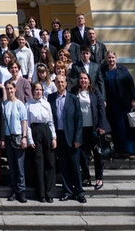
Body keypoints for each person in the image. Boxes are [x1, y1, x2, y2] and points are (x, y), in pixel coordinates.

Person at [49, 73, 86, 203]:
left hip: (71, 136)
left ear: (66, 83)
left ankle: (80, 192)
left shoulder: (73, 99)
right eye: (58, 82)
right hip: (58, 136)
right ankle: (68, 191)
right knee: (64, 166)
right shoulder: (51, 98)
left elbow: (79, 120)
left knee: (75, 166)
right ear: (55, 84)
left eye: (62, 82)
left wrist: (77, 139)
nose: (60, 84)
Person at [75, 71, 110, 190]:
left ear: (89, 80)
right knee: (82, 155)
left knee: (97, 154)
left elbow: (101, 109)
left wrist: (101, 126)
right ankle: (86, 176)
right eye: (81, 78)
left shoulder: (95, 91)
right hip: (81, 129)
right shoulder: (75, 92)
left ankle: (99, 178)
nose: (83, 80)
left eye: (85, 78)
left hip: (94, 128)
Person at [104, 50, 135, 159]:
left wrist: (134, 100)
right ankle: (119, 150)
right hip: (111, 105)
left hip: (124, 104)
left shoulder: (122, 70)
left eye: (112, 58)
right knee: (115, 128)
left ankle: (131, 151)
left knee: (127, 128)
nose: (111, 60)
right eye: (109, 58)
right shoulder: (104, 71)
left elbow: (131, 85)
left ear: (116, 58)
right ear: (106, 59)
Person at [26, 81, 56, 203]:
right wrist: (30, 139)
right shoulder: (28, 104)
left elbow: (51, 121)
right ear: (33, 91)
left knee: (49, 162)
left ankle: (49, 192)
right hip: (35, 131)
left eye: (40, 90)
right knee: (39, 163)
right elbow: (27, 124)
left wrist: (54, 137)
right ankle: (41, 193)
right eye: (36, 90)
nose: (38, 92)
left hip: (46, 131)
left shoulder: (46, 104)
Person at [2, 79, 29, 203]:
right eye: (7, 89)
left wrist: (24, 137)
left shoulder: (20, 104)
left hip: (18, 136)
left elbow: (24, 121)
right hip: (8, 137)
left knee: (20, 165)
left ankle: (21, 190)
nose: (9, 91)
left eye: (11, 88)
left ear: (15, 89)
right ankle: (14, 189)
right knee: (11, 165)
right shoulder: (4, 104)